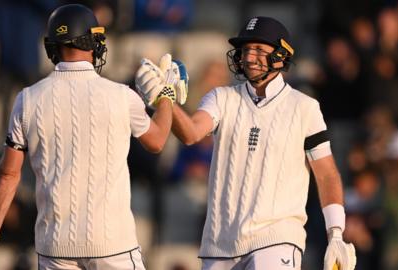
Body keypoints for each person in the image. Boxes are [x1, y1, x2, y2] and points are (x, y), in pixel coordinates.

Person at [0, 4, 179, 270]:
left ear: (53, 46)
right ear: (90, 41)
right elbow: (156, 142)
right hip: (113, 244)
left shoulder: (27, 100)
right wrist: (166, 97)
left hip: (55, 246)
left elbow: (7, 175)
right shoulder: (121, 95)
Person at [137, 16, 357, 270]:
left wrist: (336, 233)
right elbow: (192, 133)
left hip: (278, 238)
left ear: (281, 55)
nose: (250, 57)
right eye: (246, 50)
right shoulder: (222, 97)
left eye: (259, 50)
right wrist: (167, 100)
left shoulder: (304, 107)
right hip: (220, 243)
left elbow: (327, 174)